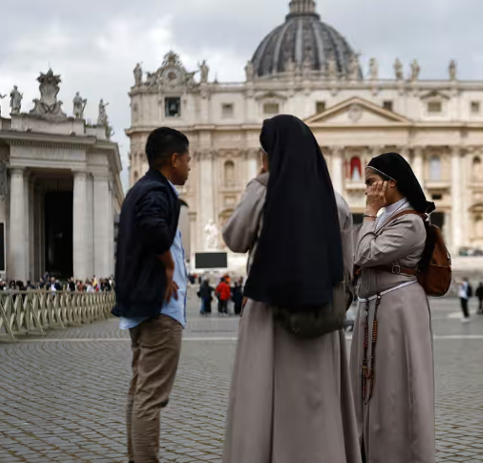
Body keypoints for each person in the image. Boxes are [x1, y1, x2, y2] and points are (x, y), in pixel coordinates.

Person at [221, 115, 360, 462]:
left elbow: (234, 238)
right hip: (321, 316)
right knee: (318, 402)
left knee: (265, 399)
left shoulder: (264, 193)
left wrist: (258, 182)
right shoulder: (337, 202)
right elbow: (347, 268)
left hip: (269, 313)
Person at [351, 152, 438, 462]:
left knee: (397, 386)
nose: (367, 190)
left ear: (391, 183)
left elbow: (364, 253)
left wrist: (370, 214)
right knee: (369, 384)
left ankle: (402, 452)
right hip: (374, 307)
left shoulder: (411, 222)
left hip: (399, 309)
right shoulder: (388, 216)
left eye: (372, 183)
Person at [112, 127, 191, 463]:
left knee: (140, 391)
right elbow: (154, 228)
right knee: (152, 397)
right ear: (174, 159)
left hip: (142, 303)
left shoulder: (139, 189)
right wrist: (170, 265)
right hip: (160, 308)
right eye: (188, 160)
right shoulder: (158, 191)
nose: (190, 167)